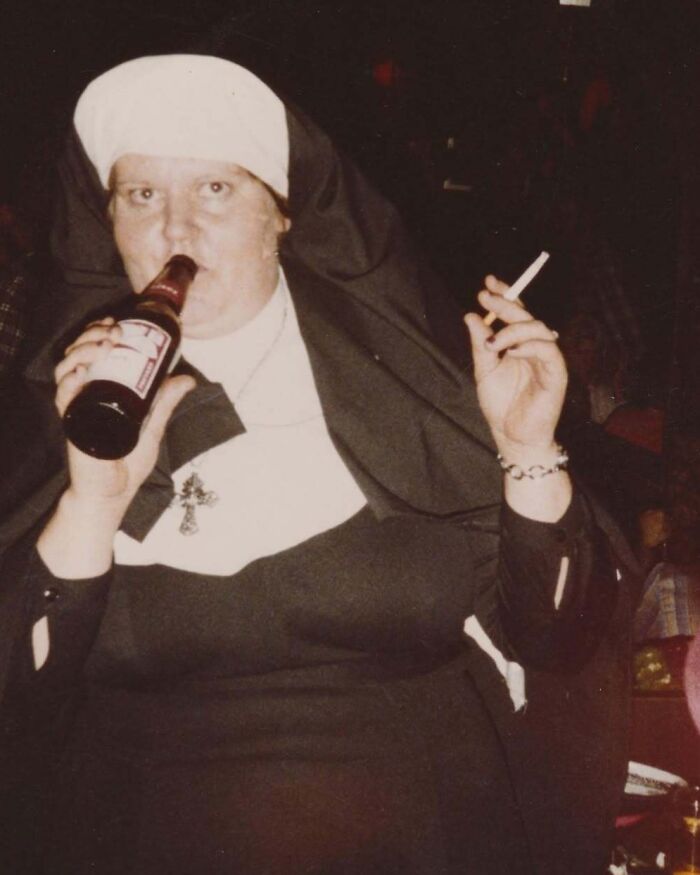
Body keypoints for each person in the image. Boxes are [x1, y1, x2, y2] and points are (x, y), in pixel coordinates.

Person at [0, 55, 637, 875]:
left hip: (429, 839)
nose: (177, 231)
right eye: (143, 194)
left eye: (216, 191)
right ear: (106, 217)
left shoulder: (405, 377)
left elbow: (559, 638)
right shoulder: (65, 403)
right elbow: (18, 705)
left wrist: (525, 450)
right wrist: (90, 505)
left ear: (284, 215)